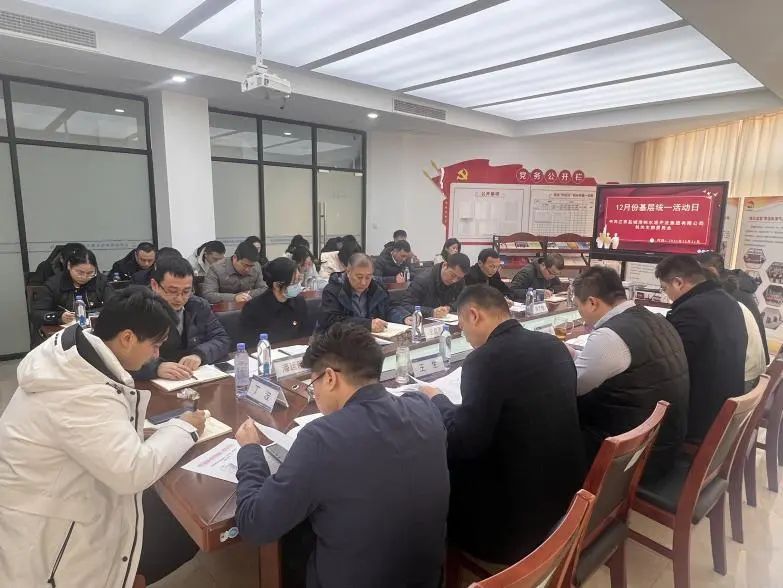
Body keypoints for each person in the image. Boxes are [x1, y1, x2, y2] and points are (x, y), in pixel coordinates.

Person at [0, 287, 207, 587]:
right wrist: (184, 428)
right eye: (155, 345)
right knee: (177, 534)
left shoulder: (75, 357)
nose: (156, 354)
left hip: (52, 497)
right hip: (47, 534)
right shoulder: (82, 393)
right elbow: (132, 472)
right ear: (127, 338)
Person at [234, 323, 449, 588]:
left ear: (330, 378)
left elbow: (255, 524)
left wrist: (250, 451)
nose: (315, 394)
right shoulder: (424, 407)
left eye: (313, 385)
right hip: (428, 579)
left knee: (291, 538)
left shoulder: (320, 438)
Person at [419, 285, 585, 566]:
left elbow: (464, 442)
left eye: (462, 327)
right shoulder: (553, 345)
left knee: (429, 482)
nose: (465, 336)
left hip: (512, 527)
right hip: (564, 502)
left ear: (474, 315)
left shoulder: (484, 360)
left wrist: (437, 400)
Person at [570, 267, 688, 482]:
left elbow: (572, 387)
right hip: (665, 443)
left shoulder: (609, 336)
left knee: (548, 427)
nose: (580, 314)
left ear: (593, 302)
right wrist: (576, 355)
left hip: (634, 460)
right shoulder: (657, 319)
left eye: (578, 306)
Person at [656, 255, 747, 442]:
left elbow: (671, 365)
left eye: (665, 288)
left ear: (678, 282)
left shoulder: (691, 311)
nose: (667, 295)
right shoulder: (727, 300)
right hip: (725, 405)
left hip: (701, 419)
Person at [131, 256, 231, 381]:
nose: (179, 298)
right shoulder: (138, 310)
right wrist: (155, 367)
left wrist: (199, 355)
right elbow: (120, 358)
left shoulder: (198, 306)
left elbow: (221, 339)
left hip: (191, 377)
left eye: (186, 291)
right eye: (172, 291)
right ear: (155, 285)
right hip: (155, 382)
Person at [697, 251, 769, 363]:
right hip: (757, 357)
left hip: (746, 361)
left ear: (711, 270)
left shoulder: (724, 289)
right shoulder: (734, 281)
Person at [318, 253, 409, 333]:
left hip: (371, 339)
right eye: (359, 277)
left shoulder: (378, 288)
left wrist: (403, 318)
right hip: (338, 341)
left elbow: (388, 308)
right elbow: (331, 321)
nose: (363, 283)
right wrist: (367, 325)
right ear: (348, 272)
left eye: (368, 277)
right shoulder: (333, 290)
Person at [32, 248, 113, 327]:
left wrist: (88, 314)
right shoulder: (54, 284)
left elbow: (114, 306)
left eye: (90, 273)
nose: (84, 277)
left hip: (97, 328)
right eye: (80, 272)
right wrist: (60, 317)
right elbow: (37, 314)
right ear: (69, 266)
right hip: (62, 330)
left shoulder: (101, 281)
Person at [240, 257, 310, 344]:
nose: (297, 285)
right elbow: (250, 342)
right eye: (293, 283)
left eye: (298, 280)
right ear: (276, 285)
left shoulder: (299, 302)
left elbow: (305, 335)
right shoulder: (253, 308)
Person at [401, 252, 470, 318]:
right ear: (445, 265)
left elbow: (464, 300)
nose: (454, 280)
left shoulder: (459, 281)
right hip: (424, 322)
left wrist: (449, 307)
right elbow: (406, 305)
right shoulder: (422, 280)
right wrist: (431, 312)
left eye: (459, 278)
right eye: (452, 275)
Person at [202, 241, 267, 303]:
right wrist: (234, 297)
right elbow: (208, 295)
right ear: (235, 258)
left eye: (251, 266)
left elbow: (264, 289)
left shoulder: (256, 266)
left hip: (250, 306)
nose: (248, 269)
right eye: (245, 265)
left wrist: (245, 295)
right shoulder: (216, 268)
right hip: (225, 308)